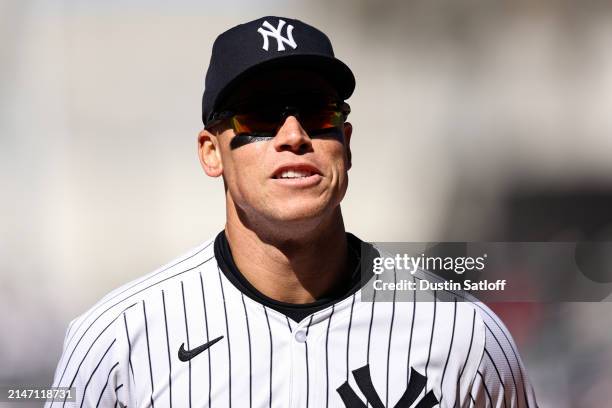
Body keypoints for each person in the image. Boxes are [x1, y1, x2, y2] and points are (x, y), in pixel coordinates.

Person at [47, 16, 538, 408]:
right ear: (211, 153)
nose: (293, 136)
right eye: (259, 115)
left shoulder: (461, 331)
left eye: (317, 111)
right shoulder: (118, 340)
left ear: (344, 143)